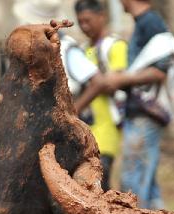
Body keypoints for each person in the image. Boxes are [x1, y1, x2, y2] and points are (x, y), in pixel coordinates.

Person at [73, 0, 174, 208]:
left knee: (132, 182)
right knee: (147, 184)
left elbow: (160, 70)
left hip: (146, 112)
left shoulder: (150, 22)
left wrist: (121, 79)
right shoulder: (143, 23)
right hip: (140, 112)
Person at [75, 0, 127, 191]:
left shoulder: (115, 46)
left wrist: (78, 105)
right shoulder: (81, 50)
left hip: (107, 125)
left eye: (88, 20)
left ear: (102, 16)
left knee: (100, 177)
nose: (84, 26)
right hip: (87, 124)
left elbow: (113, 83)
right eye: (80, 22)